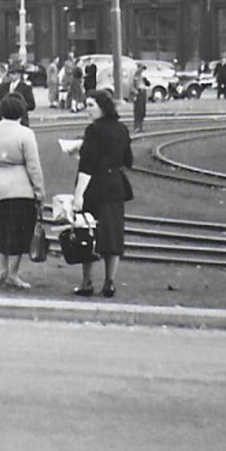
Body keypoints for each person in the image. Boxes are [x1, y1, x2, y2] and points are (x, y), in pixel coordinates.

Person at [0, 93, 45, 289]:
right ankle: (13, 274)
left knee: (2, 229)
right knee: (19, 231)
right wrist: (39, 191)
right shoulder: (25, 133)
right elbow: (34, 166)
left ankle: (4, 270)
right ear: (21, 112)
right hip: (21, 188)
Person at [71, 88, 134, 299]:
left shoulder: (93, 131)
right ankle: (110, 282)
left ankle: (87, 282)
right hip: (115, 186)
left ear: (102, 107)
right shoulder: (123, 129)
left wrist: (78, 195)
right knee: (113, 234)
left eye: (90, 105)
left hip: (95, 188)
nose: (86, 109)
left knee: (86, 233)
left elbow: (87, 166)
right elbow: (128, 160)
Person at [132, 63, 149, 135]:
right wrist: (135, 94)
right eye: (141, 68)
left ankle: (140, 126)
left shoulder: (143, 76)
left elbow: (148, 84)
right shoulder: (136, 75)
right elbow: (134, 85)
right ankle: (137, 127)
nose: (142, 70)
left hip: (143, 92)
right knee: (138, 110)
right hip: (138, 93)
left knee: (142, 111)